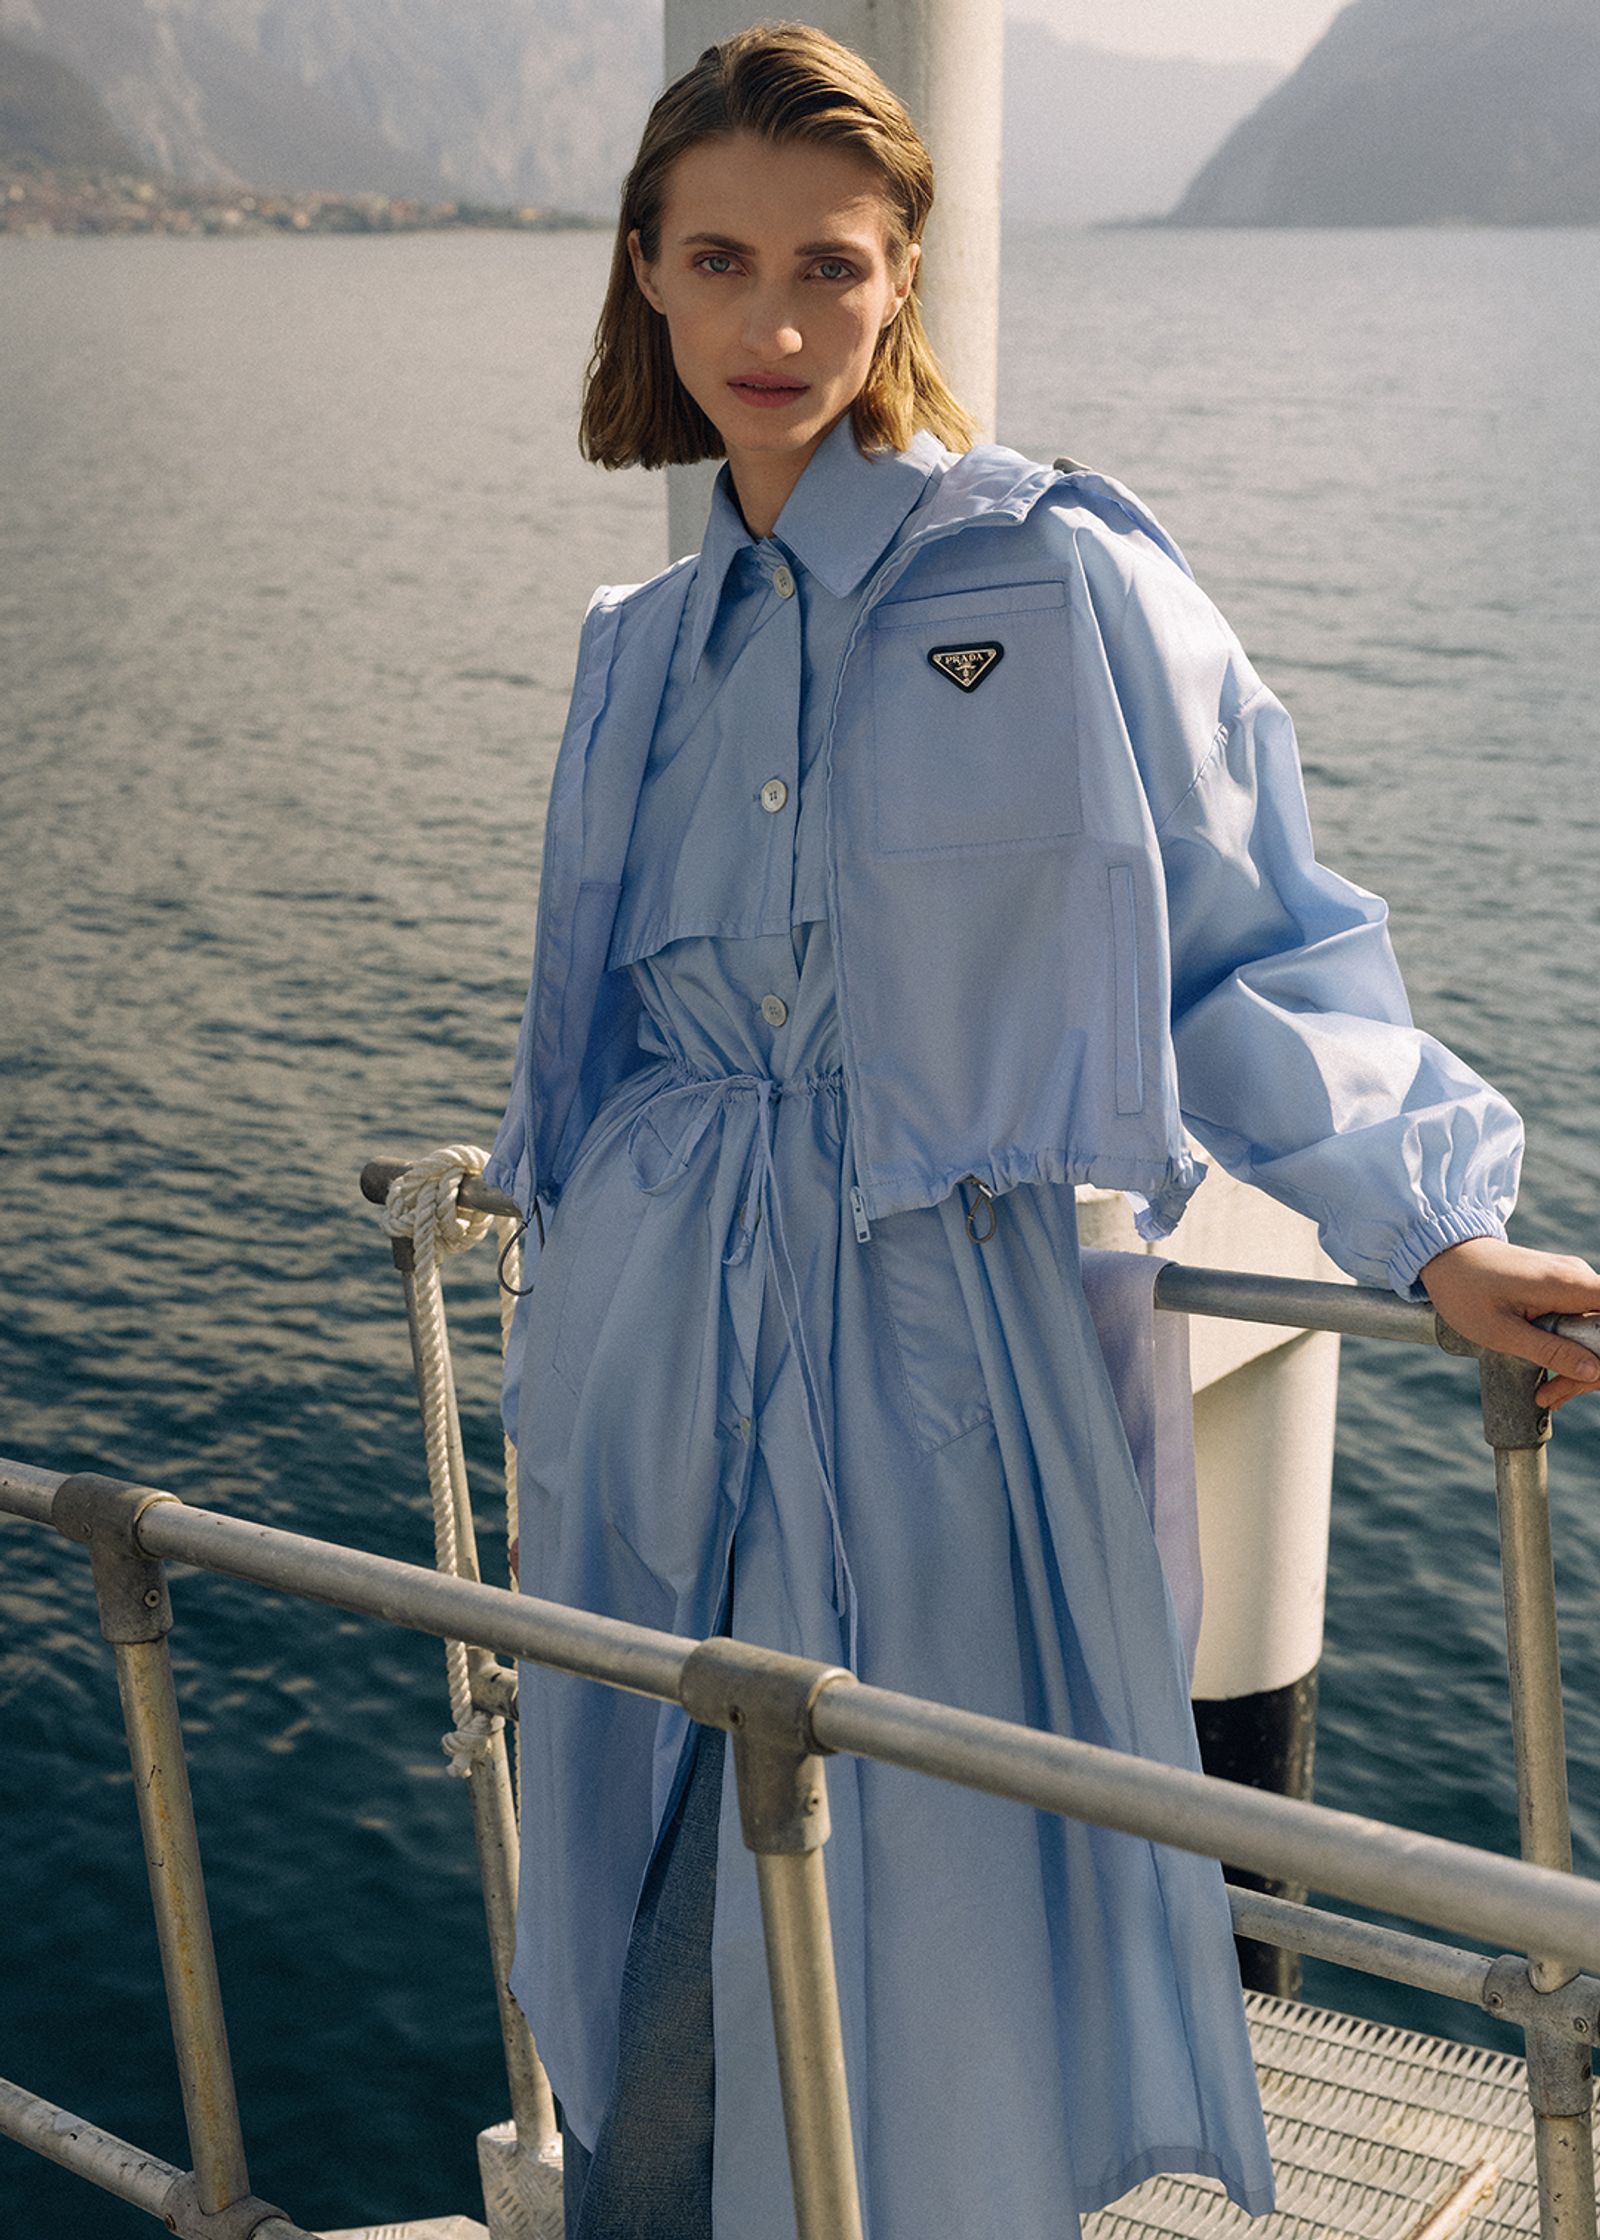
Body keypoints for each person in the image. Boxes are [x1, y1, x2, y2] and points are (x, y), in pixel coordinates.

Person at [483, 23, 1600, 2240]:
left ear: (903, 280)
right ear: (644, 274)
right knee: (639, 1867)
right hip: (648, 1345)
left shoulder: (1047, 581)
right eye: (718, 263)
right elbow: (597, 1041)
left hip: (936, 1367)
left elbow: (1239, 934)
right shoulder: (641, 645)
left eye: (830, 265)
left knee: (927, 1913)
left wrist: (1431, 1231)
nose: (773, 325)